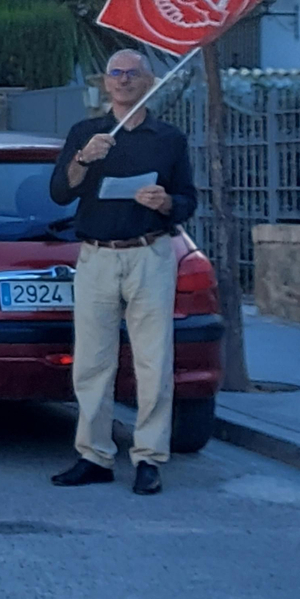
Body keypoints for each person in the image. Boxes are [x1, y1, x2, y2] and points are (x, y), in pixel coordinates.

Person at [48, 50, 197, 497]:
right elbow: (58, 193)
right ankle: (93, 455)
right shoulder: (86, 132)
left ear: (148, 82)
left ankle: (149, 457)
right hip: (97, 255)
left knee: (154, 361)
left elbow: (188, 198)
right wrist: (82, 159)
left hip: (149, 253)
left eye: (133, 74)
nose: (124, 81)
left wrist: (166, 203)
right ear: (106, 82)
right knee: (92, 362)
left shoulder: (167, 138)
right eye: (117, 74)